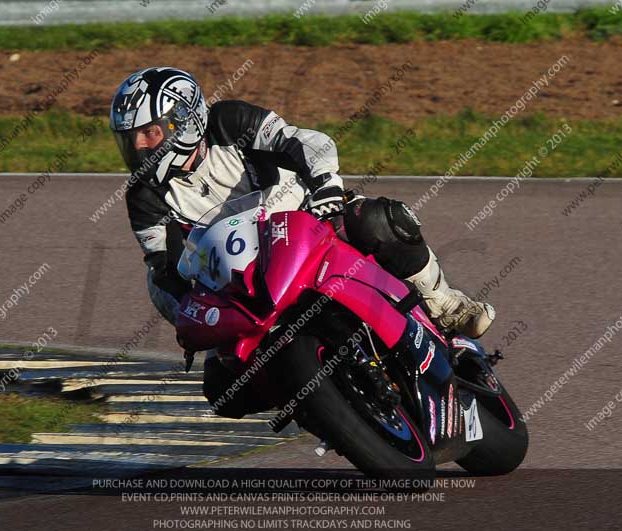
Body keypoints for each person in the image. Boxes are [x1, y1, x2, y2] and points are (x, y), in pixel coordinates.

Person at [110, 67, 495, 418]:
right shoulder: (144, 197)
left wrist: (326, 186)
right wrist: (194, 317)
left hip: (309, 224)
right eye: (129, 138)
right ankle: (321, 406)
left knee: (379, 219)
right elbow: (164, 270)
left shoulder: (228, 122)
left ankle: (443, 303)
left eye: (149, 133)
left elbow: (304, 141)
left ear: (184, 121)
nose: (139, 146)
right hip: (243, 283)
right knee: (223, 391)